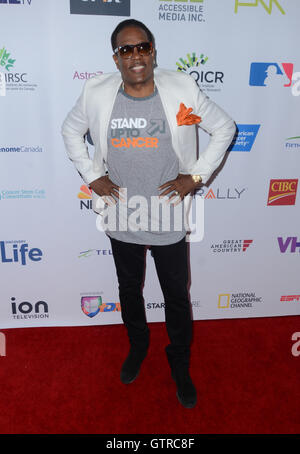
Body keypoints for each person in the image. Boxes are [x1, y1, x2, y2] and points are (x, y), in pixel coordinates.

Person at [62, 19, 236, 409]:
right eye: (126, 50)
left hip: (168, 213)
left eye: (142, 47)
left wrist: (196, 176)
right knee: (129, 288)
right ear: (116, 58)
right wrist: (93, 176)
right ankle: (138, 347)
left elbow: (223, 128)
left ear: (153, 51)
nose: (135, 55)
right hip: (122, 213)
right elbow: (70, 131)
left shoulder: (181, 90)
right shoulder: (96, 92)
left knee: (176, 295)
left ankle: (179, 362)